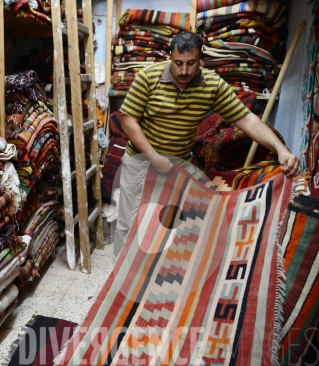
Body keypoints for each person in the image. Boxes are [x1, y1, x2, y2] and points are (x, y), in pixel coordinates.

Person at [113, 31, 300, 255]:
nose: (183, 71)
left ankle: (153, 277)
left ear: (200, 59)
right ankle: (120, 282)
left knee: (166, 223)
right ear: (169, 57)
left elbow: (247, 119)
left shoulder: (212, 85)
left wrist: (281, 150)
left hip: (176, 166)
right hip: (140, 161)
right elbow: (129, 121)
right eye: (178, 63)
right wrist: (154, 157)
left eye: (190, 63)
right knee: (129, 223)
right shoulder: (148, 77)